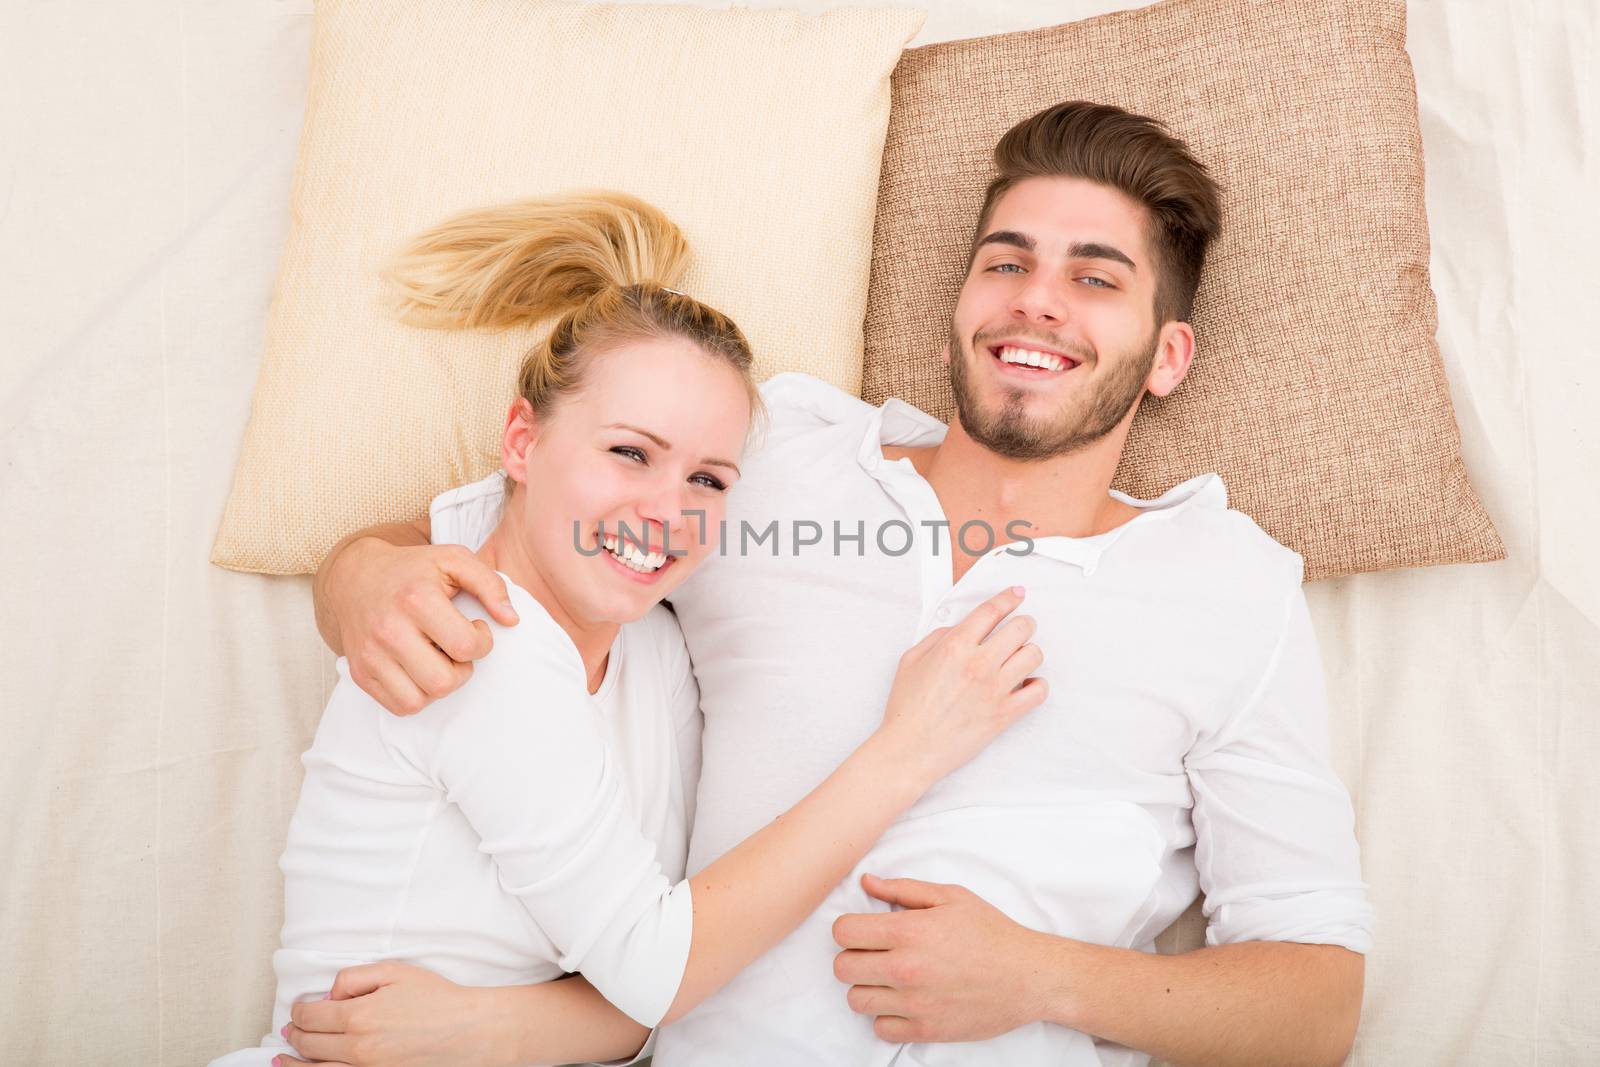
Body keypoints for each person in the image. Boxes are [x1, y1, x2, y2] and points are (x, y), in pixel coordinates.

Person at [291, 101, 1374, 1067]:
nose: (1036, 302)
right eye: (1005, 263)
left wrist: (1043, 976)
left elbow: (1317, 1006)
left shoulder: (1230, 585)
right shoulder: (773, 458)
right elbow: (494, 534)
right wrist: (359, 581)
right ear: (958, 303)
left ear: (1168, 354)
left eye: (1094, 278)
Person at [212, 191, 1048, 1067]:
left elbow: (656, 986)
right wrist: (908, 749)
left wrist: (496, 1028)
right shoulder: (475, 640)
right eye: (630, 452)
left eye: (709, 480)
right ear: (521, 443)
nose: (666, 512)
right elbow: (661, 967)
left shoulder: (657, 651)